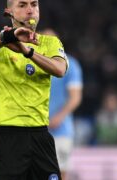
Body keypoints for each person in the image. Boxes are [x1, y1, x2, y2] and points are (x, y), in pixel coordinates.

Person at [0, 0, 68, 179]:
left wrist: (27, 51)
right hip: (6, 133)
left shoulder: (50, 43)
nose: (30, 10)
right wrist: (10, 37)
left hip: (40, 133)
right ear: (9, 11)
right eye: (22, 5)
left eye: (34, 5)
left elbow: (59, 69)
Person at [42, 27, 83, 180]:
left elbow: (75, 97)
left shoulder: (70, 65)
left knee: (59, 174)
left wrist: (59, 117)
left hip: (60, 130)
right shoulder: (33, 63)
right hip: (36, 129)